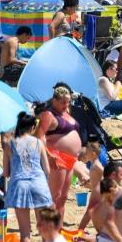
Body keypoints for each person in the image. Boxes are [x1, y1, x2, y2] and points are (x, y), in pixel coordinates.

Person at [3, 112, 53, 242]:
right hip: (38, 184)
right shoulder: (38, 143)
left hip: (20, 186)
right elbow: (47, 169)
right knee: (44, 229)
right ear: (32, 127)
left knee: (25, 232)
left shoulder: (10, 144)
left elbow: (6, 172)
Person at [36, 85, 83, 216]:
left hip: (70, 160)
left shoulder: (67, 113)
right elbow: (38, 137)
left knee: (63, 197)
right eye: (62, 102)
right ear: (54, 100)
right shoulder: (49, 115)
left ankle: (58, 231)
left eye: (68, 102)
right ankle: (48, 231)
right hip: (57, 158)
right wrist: (49, 156)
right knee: (54, 196)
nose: (66, 104)